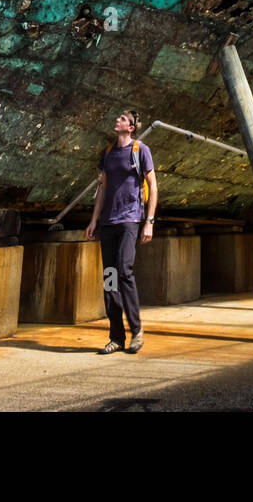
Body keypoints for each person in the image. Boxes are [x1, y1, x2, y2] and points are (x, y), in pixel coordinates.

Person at [85, 109, 157, 354]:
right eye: (118, 118)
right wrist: (94, 220)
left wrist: (150, 221)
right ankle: (116, 337)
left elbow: (153, 186)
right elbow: (102, 190)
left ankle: (137, 331)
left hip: (130, 220)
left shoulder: (140, 151)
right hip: (108, 223)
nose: (117, 120)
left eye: (123, 119)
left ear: (131, 127)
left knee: (124, 271)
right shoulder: (107, 154)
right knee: (110, 277)